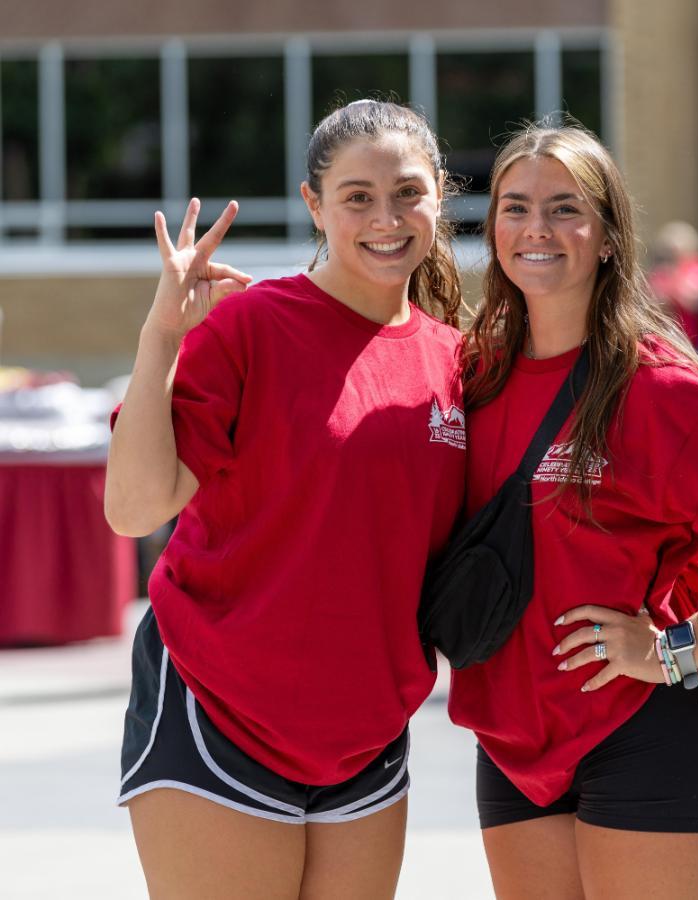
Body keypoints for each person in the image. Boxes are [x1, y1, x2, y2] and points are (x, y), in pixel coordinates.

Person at [450, 122, 698, 900]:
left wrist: (671, 651)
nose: (537, 228)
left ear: (606, 236)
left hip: (640, 726)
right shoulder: (471, 374)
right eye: (515, 206)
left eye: (565, 208)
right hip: (511, 734)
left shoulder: (660, 388)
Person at [104, 100, 466, 900]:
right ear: (313, 204)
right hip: (218, 708)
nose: (386, 217)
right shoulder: (252, 329)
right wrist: (161, 336)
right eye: (357, 197)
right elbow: (133, 509)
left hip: (366, 733)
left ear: (441, 194)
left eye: (408, 192)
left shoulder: (457, 362)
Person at [648, 220, 698, 350]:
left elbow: (692, 301)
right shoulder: (662, 273)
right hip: (669, 339)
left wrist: (672, 288)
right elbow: (652, 300)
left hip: (697, 341)